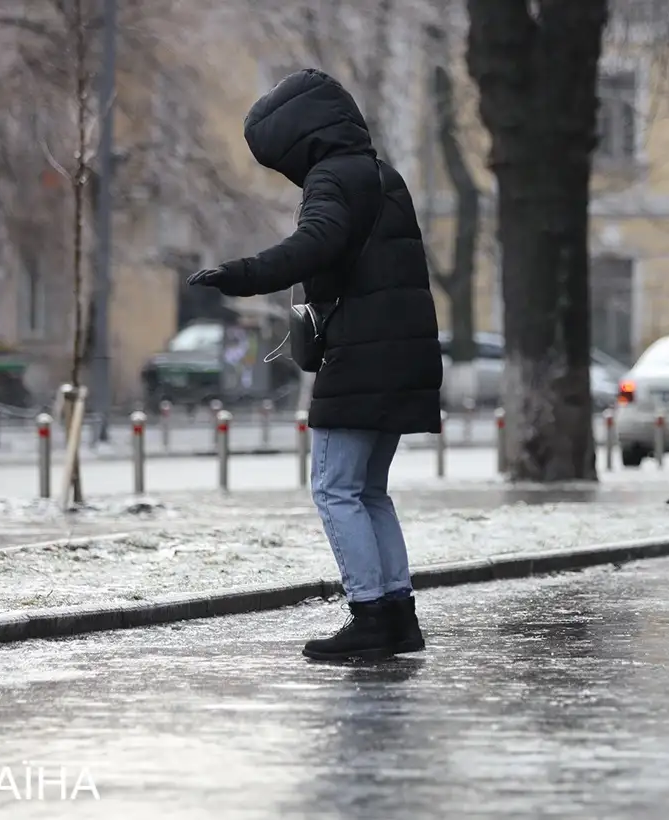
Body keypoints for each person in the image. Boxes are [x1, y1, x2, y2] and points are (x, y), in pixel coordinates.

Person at [186, 69, 442, 661]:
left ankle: (370, 614)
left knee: (334, 489)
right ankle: (399, 616)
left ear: (298, 141)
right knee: (369, 490)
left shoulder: (334, 179)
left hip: (361, 359)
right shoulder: (382, 176)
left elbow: (315, 244)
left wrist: (243, 274)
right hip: (400, 355)